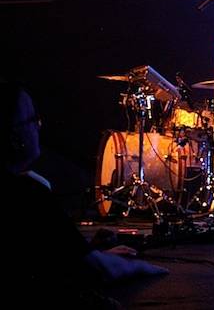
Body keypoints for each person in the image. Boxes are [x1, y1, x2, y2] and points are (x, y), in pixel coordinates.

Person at [1, 81, 167, 306]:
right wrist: (139, 266)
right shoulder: (29, 194)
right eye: (32, 120)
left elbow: (50, 255)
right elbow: (93, 269)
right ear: (13, 136)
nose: (38, 127)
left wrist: (88, 250)